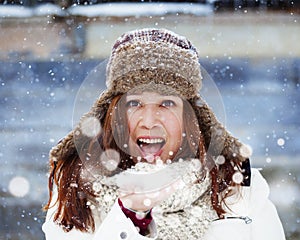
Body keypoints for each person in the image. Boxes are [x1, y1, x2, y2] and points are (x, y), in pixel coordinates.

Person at [42, 28, 286, 240]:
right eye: (134, 103)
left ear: (189, 117)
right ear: (115, 114)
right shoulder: (75, 188)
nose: (149, 121)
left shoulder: (236, 184)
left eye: (167, 103)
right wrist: (130, 216)